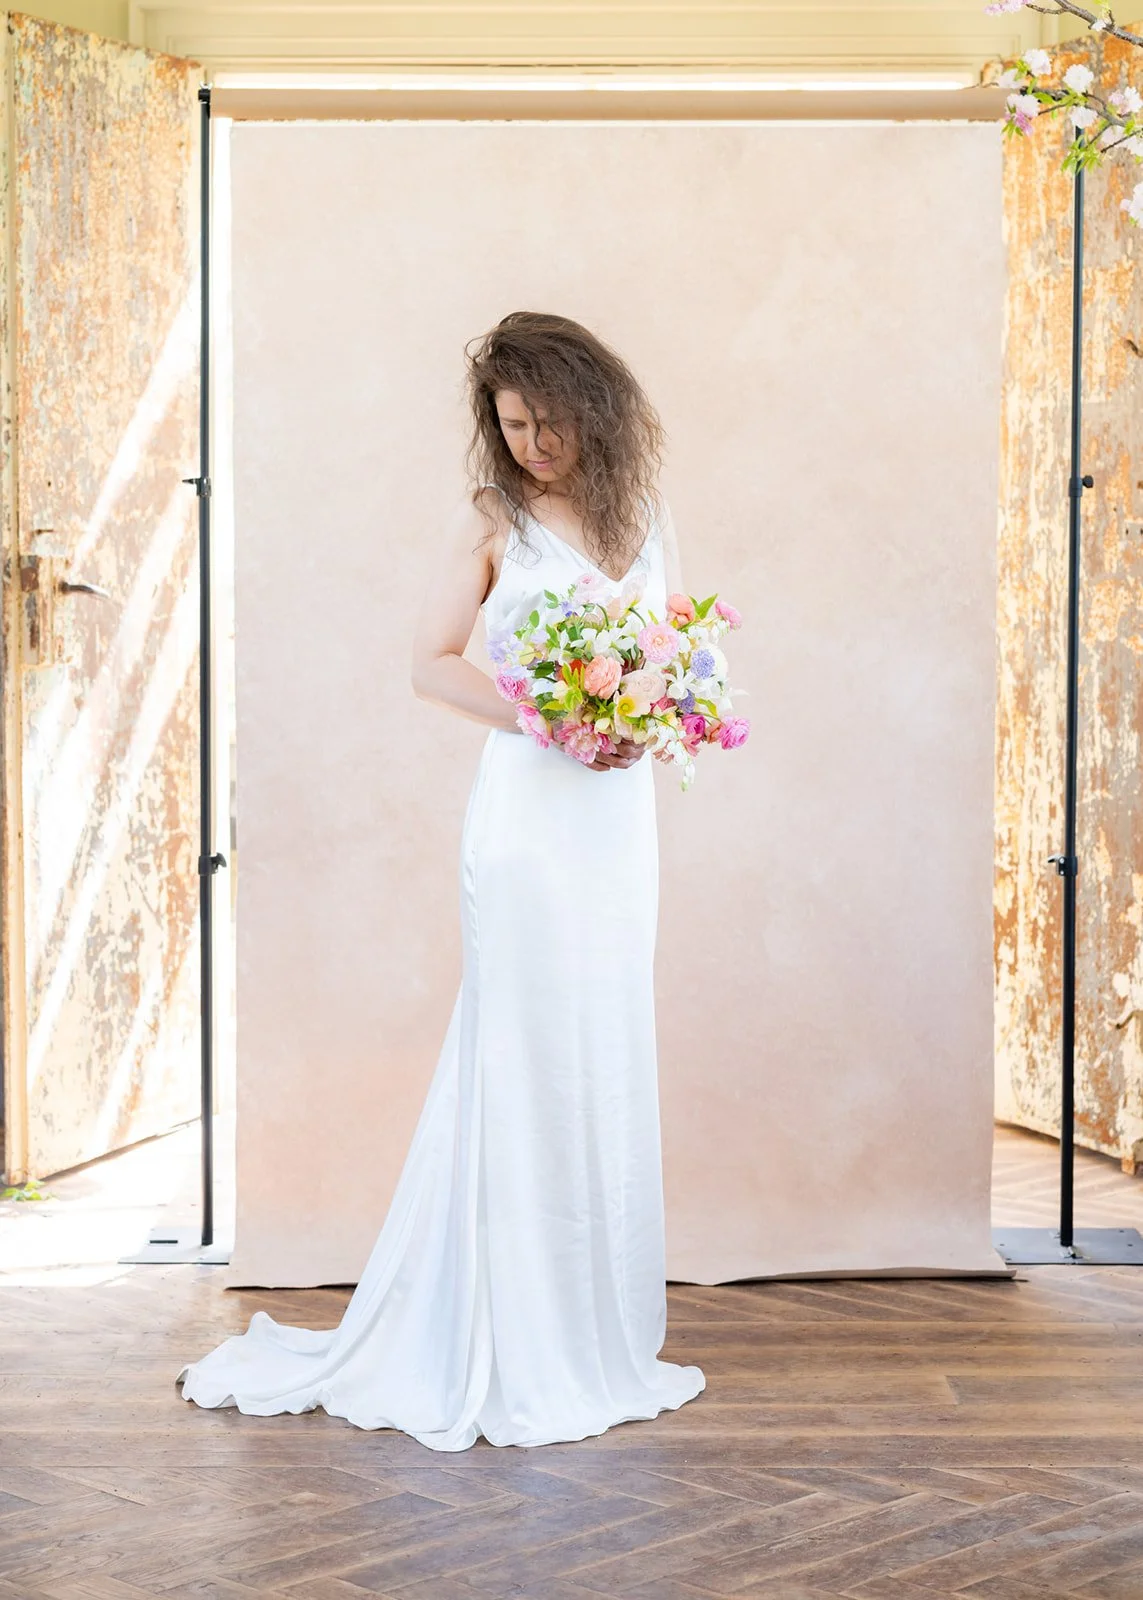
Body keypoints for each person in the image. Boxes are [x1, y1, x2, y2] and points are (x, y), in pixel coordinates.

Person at [176, 310, 706, 1451]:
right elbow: (430, 661)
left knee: (602, 1040)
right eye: (510, 423)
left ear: (594, 409)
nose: (530, 444)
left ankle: (591, 1325)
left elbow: (677, 650)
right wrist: (549, 715)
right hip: (524, 817)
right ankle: (502, 1330)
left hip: (616, 823)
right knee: (519, 1045)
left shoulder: (648, 515)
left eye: (548, 420)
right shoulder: (494, 520)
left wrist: (651, 722)